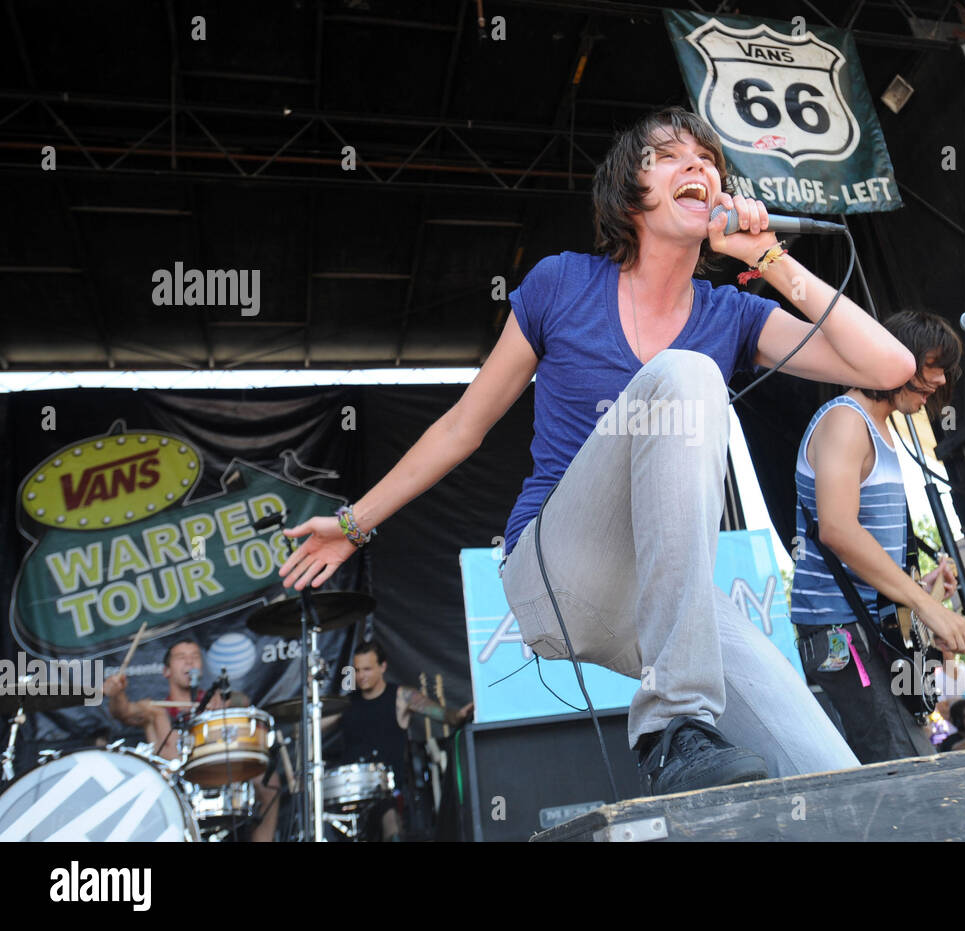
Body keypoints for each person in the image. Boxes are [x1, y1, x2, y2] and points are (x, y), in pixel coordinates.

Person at [279, 106, 925, 796]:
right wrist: (352, 525)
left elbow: (890, 366)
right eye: (671, 156)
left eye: (709, 160)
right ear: (630, 192)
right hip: (556, 568)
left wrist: (769, 258)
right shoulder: (563, 283)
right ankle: (672, 726)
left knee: (831, 770)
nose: (699, 168)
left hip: (667, 592)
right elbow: (463, 426)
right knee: (687, 374)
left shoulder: (730, 313)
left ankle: (705, 732)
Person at [791, 310, 965, 764]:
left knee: (909, 762)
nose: (936, 380)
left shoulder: (884, 429)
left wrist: (921, 583)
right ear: (895, 358)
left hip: (870, 627)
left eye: (942, 369)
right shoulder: (845, 420)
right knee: (904, 774)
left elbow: (867, 545)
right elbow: (838, 529)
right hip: (841, 633)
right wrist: (925, 604)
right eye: (929, 365)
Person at [104, 637, 281, 842]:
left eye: (195, 657)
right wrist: (116, 694)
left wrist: (227, 702)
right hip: (174, 788)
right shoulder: (154, 709)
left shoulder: (215, 702)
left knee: (269, 781)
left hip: (217, 777)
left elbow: (245, 701)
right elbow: (122, 712)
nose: (189, 662)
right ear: (166, 671)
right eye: (181, 657)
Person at [322, 639, 472, 841]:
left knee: (390, 819)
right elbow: (310, 727)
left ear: (382, 667)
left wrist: (460, 715)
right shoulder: (347, 703)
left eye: (367, 669)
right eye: (357, 670)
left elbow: (445, 715)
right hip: (350, 794)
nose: (361, 676)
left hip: (389, 792)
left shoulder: (402, 697)